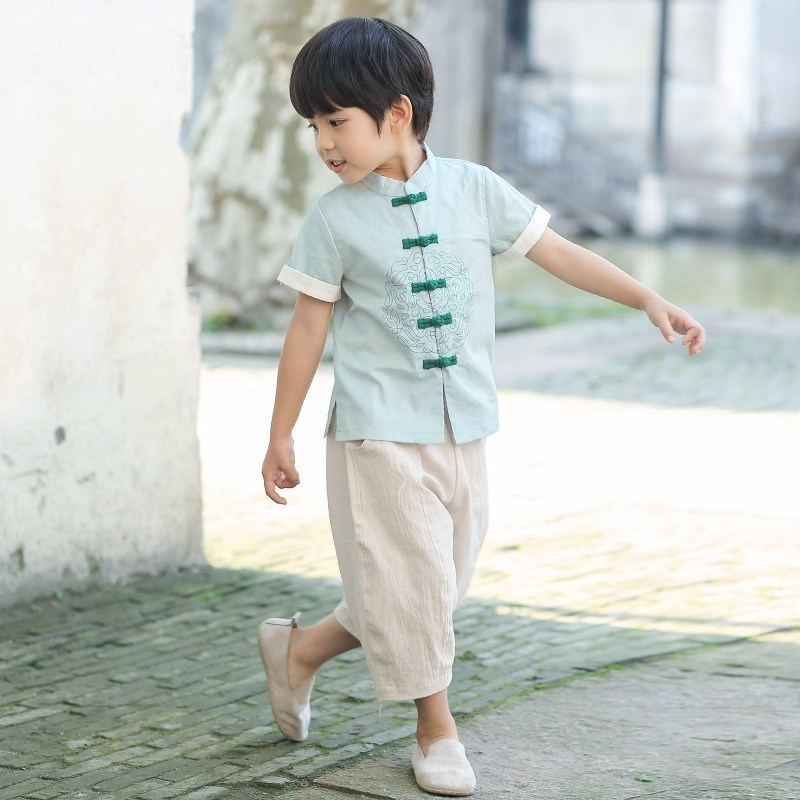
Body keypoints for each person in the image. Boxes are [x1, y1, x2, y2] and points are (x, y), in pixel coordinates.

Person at [257, 16, 706, 797]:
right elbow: (306, 329)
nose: (324, 142)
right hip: (376, 435)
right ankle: (437, 731)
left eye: (336, 121)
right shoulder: (333, 218)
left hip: (465, 425)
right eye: (313, 126)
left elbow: (558, 252)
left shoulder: (474, 188)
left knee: (424, 586)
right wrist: (279, 435)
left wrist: (646, 297)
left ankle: (297, 652)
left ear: (395, 114)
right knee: (416, 587)